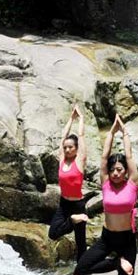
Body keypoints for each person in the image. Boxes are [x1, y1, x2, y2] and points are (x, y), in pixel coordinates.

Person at [71, 114, 138, 275]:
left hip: (127, 238)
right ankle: (117, 262)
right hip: (107, 237)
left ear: (125, 171)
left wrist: (125, 134)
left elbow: (128, 155)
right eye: (113, 170)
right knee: (81, 267)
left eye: (120, 169)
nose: (117, 172)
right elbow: (103, 157)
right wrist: (111, 133)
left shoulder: (132, 184)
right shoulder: (106, 185)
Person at [48, 105, 89, 260]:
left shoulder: (80, 161)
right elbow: (63, 136)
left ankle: (81, 270)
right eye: (65, 147)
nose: (67, 150)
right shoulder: (62, 160)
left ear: (76, 149)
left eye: (70, 147)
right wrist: (71, 119)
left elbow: (82, 135)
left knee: (81, 243)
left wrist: (82, 119)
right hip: (64, 205)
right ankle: (72, 220)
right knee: (53, 233)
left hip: (78, 205)